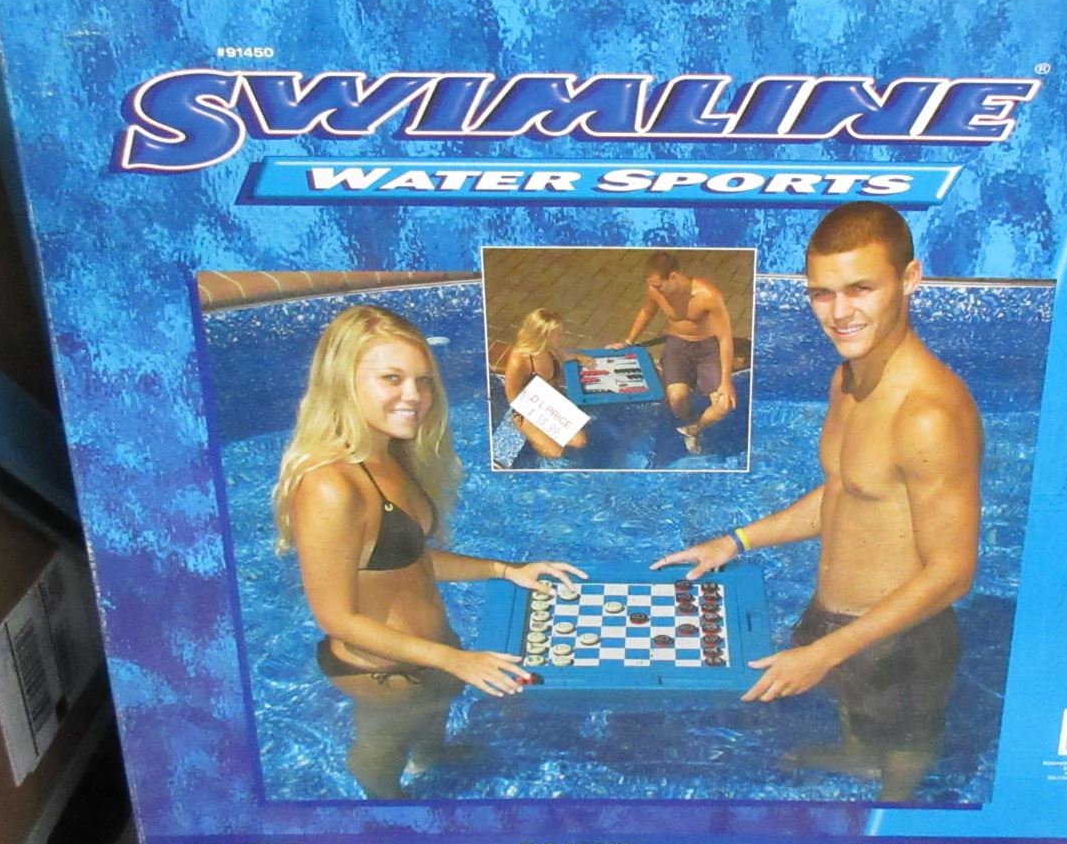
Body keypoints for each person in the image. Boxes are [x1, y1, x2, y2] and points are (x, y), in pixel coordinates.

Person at [655, 203, 982, 801]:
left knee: (903, 756)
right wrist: (736, 541)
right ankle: (857, 756)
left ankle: (893, 820)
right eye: (822, 294)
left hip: (899, 639)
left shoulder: (929, 414)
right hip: (834, 616)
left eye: (861, 289)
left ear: (910, 279)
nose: (839, 313)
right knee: (856, 719)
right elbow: (846, 489)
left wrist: (827, 653)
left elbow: (953, 572)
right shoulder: (847, 378)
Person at [273, 305, 585, 799]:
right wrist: (454, 660)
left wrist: (507, 570)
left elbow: (408, 558)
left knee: (432, 719)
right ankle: (387, 806)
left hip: (430, 656)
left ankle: (431, 758)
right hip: (383, 673)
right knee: (381, 751)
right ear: (342, 380)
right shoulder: (331, 485)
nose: (414, 396)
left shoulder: (389, 455)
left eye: (423, 380)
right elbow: (336, 617)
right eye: (391, 378)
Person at [611, 251, 737, 455]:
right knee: (677, 401)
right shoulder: (655, 291)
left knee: (723, 405)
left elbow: (725, 338)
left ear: (673, 276)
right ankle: (686, 421)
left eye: (658, 285)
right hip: (678, 345)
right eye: (652, 286)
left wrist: (726, 381)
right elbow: (647, 312)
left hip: (708, 348)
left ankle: (695, 429)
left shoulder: (708, 295)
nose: (655, 290)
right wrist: (628, 341)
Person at [500, 307, 590, 460]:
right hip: (526, 408)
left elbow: (562, 356)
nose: (562, 336)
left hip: (549, 401)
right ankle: (532, 442)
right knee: (555, 453)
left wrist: (578, 357)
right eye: (558, 333)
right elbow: (512, 396)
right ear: (544, 335)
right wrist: (538, 418)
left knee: (580, 442)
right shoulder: (519, 360)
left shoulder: (549, 348)